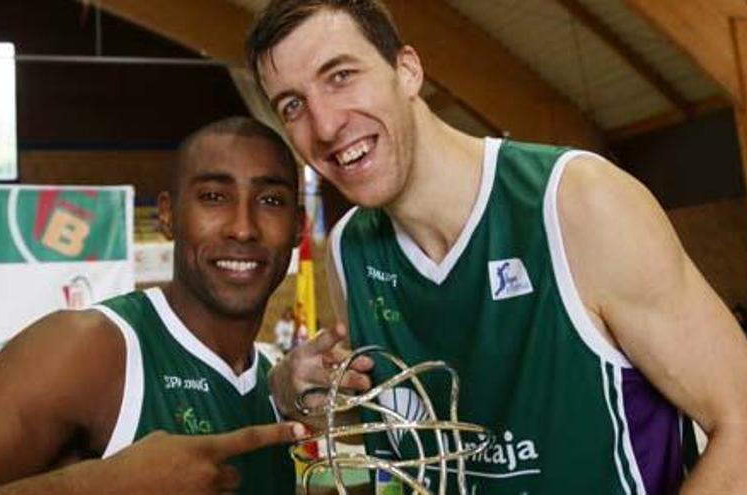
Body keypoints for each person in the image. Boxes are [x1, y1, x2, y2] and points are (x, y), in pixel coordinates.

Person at [245, 1, 747, 494]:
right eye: (292, 105)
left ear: (407, 70)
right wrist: (305, 393)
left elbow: (740, 419)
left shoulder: (577, 202)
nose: (326, 125)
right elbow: (421, 421)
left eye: (340, 76)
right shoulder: (348, 251)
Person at [0, 116, 306, 495]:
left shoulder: (265, 383)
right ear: (168, 215)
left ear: (298, 228)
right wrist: (92, 488)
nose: (244, 228)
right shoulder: (93, 349)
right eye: (214, 196)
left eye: (270, 200)